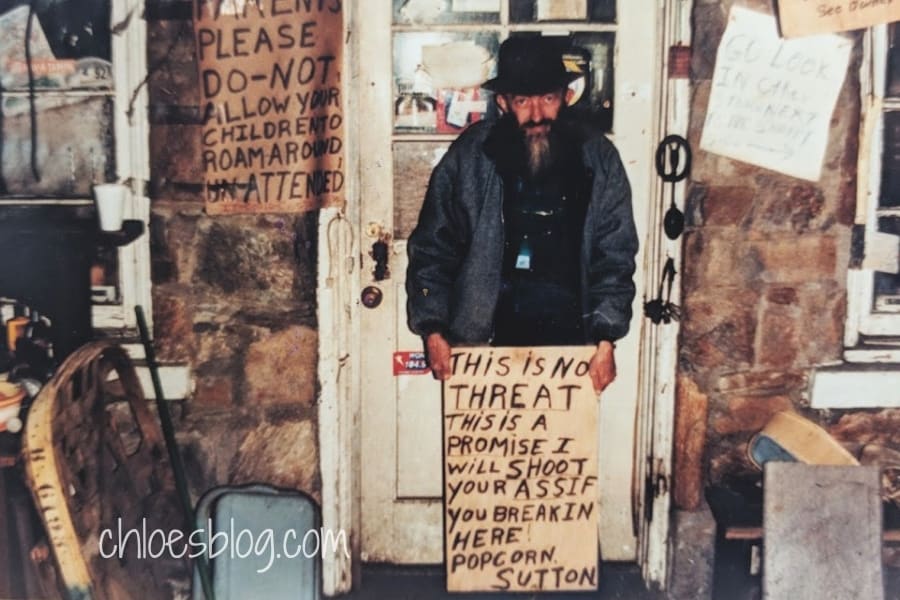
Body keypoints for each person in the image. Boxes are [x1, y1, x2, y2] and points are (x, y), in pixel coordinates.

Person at [406, 36, 638, 393]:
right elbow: (434, 247)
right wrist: (433, 328)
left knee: (562, 444)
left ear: (566, 97)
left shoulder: (599, 159)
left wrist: (606, 337)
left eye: (548, 98)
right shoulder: (471, 156)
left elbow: (615, 256)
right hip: (485, 338)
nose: (537, 115)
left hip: (572, 340)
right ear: (502, 103)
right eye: (522, 101)